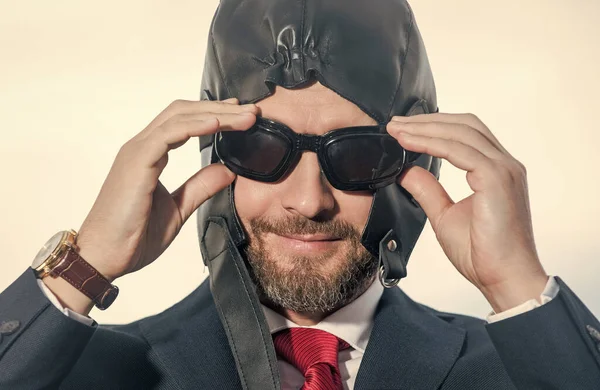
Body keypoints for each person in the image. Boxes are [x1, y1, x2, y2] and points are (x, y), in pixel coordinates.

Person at [1, 0, 599, 389]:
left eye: (356, 155)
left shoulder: (514, 369)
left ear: (413, 165)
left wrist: (517, 284)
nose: (309, 201)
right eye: (264, 150)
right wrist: (83, 266)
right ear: (212, 151)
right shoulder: (105, 372)